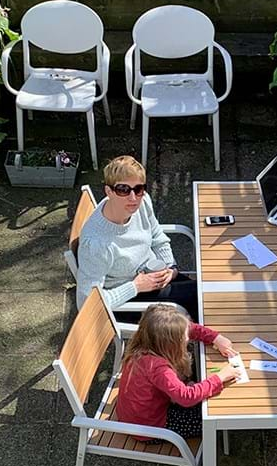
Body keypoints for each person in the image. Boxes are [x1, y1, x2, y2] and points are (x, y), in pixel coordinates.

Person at [76, 155, 199, 321]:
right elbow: (86, 303)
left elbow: (157, 236)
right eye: (123, 189)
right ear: (108, 191)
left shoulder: (143, 202)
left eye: (138, 189)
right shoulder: (97, 244)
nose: (133, 198)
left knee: (208, 291)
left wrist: (171, 268)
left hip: (153, 277)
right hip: (128, 301)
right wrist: (135, 287)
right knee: (203, 301)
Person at [115, 304, 241, 439]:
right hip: (149, 427)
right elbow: (186, 397)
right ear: (170, 343)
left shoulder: (145, 342)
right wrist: (220, 377)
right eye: (183, 338)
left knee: (203, 393)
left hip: (135, 415)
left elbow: (187, 328)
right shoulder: (159, 369)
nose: (187, 338)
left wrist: (216, 338)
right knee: (212, 418)